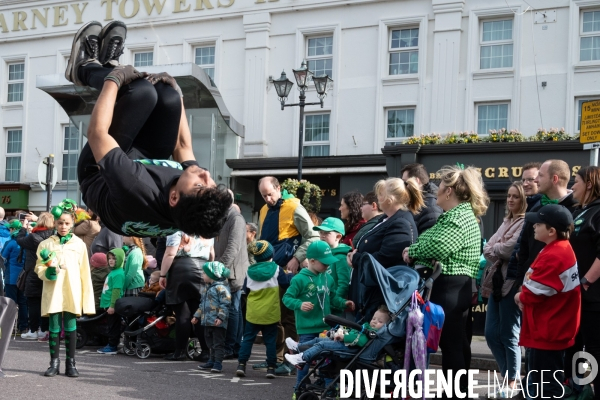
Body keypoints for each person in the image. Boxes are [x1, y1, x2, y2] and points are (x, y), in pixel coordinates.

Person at [69, 21, 232, 239]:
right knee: (167, 96)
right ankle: (108, 63)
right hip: (143, 164)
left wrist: (114, 79)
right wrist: (178, 92)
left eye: (200, 185)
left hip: (99, 174)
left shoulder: (136, 188)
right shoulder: (188, 203)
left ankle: (84, 68)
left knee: (140, 92)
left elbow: (98, 134)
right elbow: (183, 147)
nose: (206, 174)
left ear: (174, 198)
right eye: (211, 183)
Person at [403, 165, 489, 394]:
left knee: (451, 346)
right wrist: (418, 247)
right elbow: (429, 238)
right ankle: (455, 391)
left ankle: (455, 393)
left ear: (449, 191)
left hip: (452, 284)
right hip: (454, 285)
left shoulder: (457, 217)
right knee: (456, 344)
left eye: (440, 186)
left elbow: (438, 246)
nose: (436, 189)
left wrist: (412, 252)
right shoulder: (454, 215)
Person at [514, 204, 580, 399]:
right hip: (550, 328)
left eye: (538, 223)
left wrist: (520, 296)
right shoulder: (557, 248)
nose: (533, 226)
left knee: (547, 387)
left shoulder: (555, 254)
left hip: (548, 331)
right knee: (545, 383)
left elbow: (535, 293)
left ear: (551, 231)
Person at [257, 176, 317, 375]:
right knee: (272, 317)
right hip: (269, 271)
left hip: (287, 271)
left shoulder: (294, 207)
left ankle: (291, 361)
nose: (267, 199)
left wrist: (297, 258)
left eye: (270, 194)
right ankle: (274, 359)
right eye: (264, 195)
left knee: (288, 317)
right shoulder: (264, 210)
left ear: (278, 188)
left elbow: (312, 235)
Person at [283, 241, 355, 395]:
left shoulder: (328, 278)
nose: (328, 266)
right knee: (304, 361)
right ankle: (299, 387)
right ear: (312, 261)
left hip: (325, 327)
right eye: (324, 263)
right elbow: (287, 298)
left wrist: (344, 303)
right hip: (307, 327)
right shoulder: (299, 279)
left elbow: (333, 298)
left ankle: (328, 388)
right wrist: (299, 304)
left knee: (328, 358)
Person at [348, 177, 422, 320]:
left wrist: (356, 258)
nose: (378, 197)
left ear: (389, 199)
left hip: (380, 295)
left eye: (381, 193)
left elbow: (384, 258)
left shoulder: (400, 222)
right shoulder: (387, 219)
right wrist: (351, 254)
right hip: (371, 291)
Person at [34, 202, 95, 377]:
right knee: (53, 327)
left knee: (70, 326)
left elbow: (85, 272)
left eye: (67, 223)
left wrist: (86, 298)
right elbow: (39, 267)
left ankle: (71, 364)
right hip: (53, 290)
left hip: (72, 290)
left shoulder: (79, 245)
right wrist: (49, 272)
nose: (63, 226)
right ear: (54, 223)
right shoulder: (46, 244)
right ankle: (54, 363)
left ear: (73, 223)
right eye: (60, 223)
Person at [481, 182, 526, 397]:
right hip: (497, 283)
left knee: (509, 334)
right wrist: (498, 247)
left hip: (512, 283)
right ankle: (506, 375)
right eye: (509, 196)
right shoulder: (507, 220)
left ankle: (512, 381)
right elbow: (488, 247)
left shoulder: (525, 221)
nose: (510, 200)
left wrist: (497, 247)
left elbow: (507, 250)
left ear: (523, 199)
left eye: (515, 197)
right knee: (490, 333)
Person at [566, 166, 600, 398]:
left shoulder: (597, 212)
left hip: (593, 297)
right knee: (579, 349)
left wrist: (586, 281)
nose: (572, 186)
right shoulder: (582, 211)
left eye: (576, 181)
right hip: (577, 297)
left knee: (594, 349)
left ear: (589, 184)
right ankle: (581, 389)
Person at [236, 240, 293, 379]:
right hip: (270, 313)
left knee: (248, 339)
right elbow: (285, 284)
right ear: (271, 255)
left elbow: (246, 290)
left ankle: (241, 365)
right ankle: (271, 368)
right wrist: (290, 275)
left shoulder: (249, 271)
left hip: (253, 313)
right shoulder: (277, 269)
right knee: (270, 341)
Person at [159, 231, 214, 361]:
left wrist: (162, 275)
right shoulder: (207, 229)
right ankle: (206, 351)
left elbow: (170, 253)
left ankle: (180, 351)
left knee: (182, 314)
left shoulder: (177, 230)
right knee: (199, 312)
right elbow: (212, 253)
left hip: (181, 269)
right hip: (202, 267)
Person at [284, 306, 390, 366]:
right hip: (346, 344)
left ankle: (302, 357)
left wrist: (344, 337)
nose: (375, 322)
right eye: (374, 318)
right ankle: (298, 347)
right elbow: (353, 332)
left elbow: (360, 341)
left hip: (350, 349)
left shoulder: (372, 334)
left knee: (322, 345)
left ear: (386, 326)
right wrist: (341, 333)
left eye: (380, 321)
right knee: (319, 339)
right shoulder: (365, 327)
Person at [214, 204, 249, 360]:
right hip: (230, 271)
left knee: (233, 311)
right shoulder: (226, 218)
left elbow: (233, 247)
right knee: (236, 311)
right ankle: (235, 347)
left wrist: (220, 267)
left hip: (232, 273)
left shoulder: (235, 218)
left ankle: (230, 347)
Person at [16, 213, 54, 341]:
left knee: (33, 302)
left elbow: (19, 239)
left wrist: (23, 227)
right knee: (45, 302)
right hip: (49, 272)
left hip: (33, 273)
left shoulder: (33, 237)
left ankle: (33, 330)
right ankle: (44, 330)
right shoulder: (54, 236)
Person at [192, 261, 231, 373]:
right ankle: (211, 360)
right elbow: (202, 305)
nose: (203, 275)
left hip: (217, 322)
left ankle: (218, 363)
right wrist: (197, 316)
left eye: (205, 273)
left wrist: (220, 317)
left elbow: (225, 304)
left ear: (213, 275)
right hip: (207, 321)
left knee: (218, 343)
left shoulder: (221, 288)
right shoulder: (207, 288)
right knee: (210, 343)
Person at [313, 217, 352, 316]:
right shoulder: (322, 255)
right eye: (321, 233)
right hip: (323, 305)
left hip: (335, 310)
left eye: (326, 233)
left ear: (338, 237)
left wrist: (333, 302)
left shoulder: (341, 258)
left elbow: (343, 284)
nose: (322, 236)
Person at [97, 248, 126, 355]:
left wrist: (112, 305)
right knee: (111, 325)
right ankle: (111, 344)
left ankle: (112, 346)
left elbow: (116, 291)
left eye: (114, 258)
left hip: (112, 306)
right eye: (109, 258)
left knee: (113, 326)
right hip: (108, 305)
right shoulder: (113, 272)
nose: (111, 260)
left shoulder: (118, 273)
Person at [401, 163, 444, 234]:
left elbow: (428, 241)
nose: (403, 187)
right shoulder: (418, 202)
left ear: (417, 181)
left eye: (405, 183)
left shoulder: (430, 207)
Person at [2, 219, 28, 334]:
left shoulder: (11, 243)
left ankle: (10, 327)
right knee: (23, 302)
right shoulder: (27, 242)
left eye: (10, 229)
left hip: (11, 277)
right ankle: (23, 327)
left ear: (13, 229)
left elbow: (2, 257)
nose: (9, 231)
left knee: (11, 303)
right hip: (24, 277)